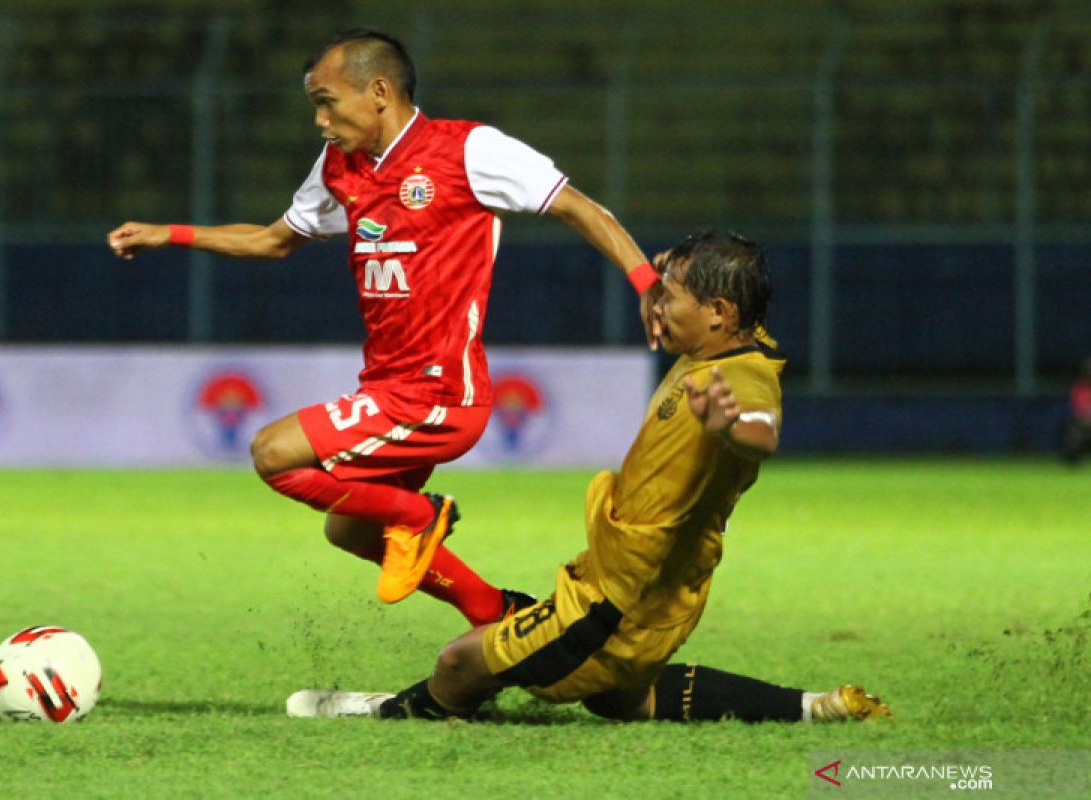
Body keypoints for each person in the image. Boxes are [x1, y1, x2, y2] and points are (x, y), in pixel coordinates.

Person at [107, 29, 663, 626]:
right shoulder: (339, 166)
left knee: (273, 452)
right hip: (385, 387)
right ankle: (493, 610)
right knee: (349, 528)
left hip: (439, 393)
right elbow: (274, 240)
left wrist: (646, 285)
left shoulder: (470, 150)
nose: (320, 121)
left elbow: (578, 206)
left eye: (327, 101)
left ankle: (419, 516)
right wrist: (174, 233)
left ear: (378, 91)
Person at [286, 231, 892, 724]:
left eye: (672, 295)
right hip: (647, 591)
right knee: (622, 696)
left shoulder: (738, 382)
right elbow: (718, 317)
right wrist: (665, 274)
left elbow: (763, 428)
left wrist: (734, 426)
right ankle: (815, 707)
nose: (659, 303)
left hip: (617, 605)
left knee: (458, 666)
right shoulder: (724, 343)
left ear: (719, 311)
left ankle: (393, 710)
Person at [1061, 356, 1091, 465]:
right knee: (1075, 432)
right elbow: (1080, 411)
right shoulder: (1080, 388)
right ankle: (1072, 461)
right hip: (1084, 425)